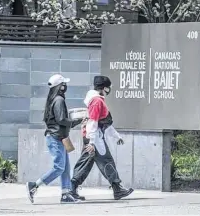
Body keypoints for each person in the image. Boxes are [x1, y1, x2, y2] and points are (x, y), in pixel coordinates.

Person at [70, 75, 134, 201]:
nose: (109, 90)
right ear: (104, 88)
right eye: (108, 87)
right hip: (95, 138)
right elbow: (93, 122)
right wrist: (93, 142)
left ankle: (71, 188)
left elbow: (103, 123)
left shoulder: (96, 99)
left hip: (92, 136)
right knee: (107, 161)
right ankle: (117, 189)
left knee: (85, 163)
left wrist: (116, 136)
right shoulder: (97, 101)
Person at [26, 74, 82, 204]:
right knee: (59, 168)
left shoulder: (53, 99)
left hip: (58, 137)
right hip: (56, 138)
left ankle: (65, 194)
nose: (66, 86)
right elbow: (61, 120)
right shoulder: (59, 100)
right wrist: (76, 121)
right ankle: (34, 185)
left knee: (66, 168)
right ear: (61, 87)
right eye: (64, 84)